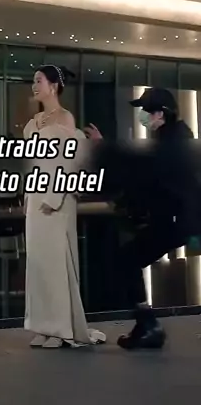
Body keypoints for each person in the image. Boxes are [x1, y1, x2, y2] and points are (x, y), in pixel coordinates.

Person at [85, 87, 199, 350]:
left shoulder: (174, 142)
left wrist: (104, 149)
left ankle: (148, 324)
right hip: (174, 220)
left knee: (127, 260)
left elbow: (144, 167)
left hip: (176, 221)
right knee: (128, 260)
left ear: (160, 113)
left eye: (146, 111)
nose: (143, 117)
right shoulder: (173, 137)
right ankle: (146, 323)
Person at [23, 64, 106, 348]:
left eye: (39, 81)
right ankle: (42, 325)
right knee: (38, 263)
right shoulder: (34, 122)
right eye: (33, 81)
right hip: (36, 195)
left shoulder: (65, 118)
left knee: (57, 261)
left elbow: (70, 161)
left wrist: (54, 196)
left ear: (54, 86)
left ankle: (61, 328)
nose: (34, 86)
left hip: (57, 197)